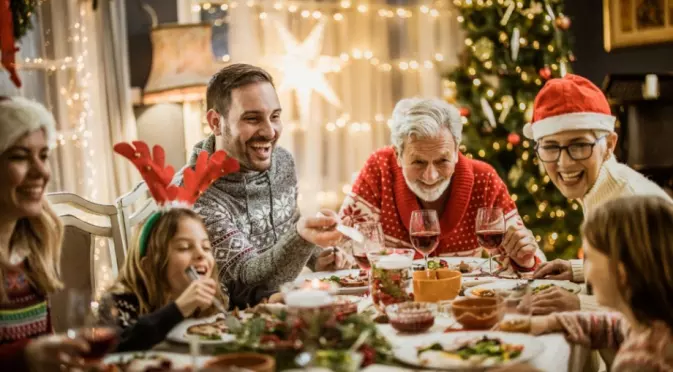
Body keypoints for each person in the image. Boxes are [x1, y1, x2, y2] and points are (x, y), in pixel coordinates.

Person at [175, 64, 350, 309]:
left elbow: (288, 222)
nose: (270, 132)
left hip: (283, 302)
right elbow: (248, 276)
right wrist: (302, 237)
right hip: (232, 324)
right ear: (216, 122)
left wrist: (317, 258)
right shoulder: (197, 195)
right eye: (252, 118)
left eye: (275, 116)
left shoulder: (282, 162)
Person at [338, 97, 545, 272]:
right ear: (398, 155)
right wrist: (334, 255)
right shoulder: (380, 168)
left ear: (456, 151)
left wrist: (525, 260)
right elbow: (346, 248)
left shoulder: (484, 179)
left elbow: (527, 258)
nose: (430, 175)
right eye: (418, 162)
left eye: (442, 161)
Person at [525, 74, 672, 312]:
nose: (565, 163)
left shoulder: (629, 202)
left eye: (580, 145)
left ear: (610, 145)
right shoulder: (600, 187)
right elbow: (634, 268)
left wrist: (579, 304)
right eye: (550, 147)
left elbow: (660, 304)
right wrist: (578, 270)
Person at [105, 140, 236, 351]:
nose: (201, 255)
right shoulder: (121, 302)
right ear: (149, 264)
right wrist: (180, 308)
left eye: (206, 247)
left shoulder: (215, 297)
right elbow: (117, 345)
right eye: (184, 247)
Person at [529, 195, 673, 371]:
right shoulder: (649, 323)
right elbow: (609, 326)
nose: (583, 269)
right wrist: (548, 323)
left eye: (587, 258)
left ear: (621, 275)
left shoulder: (641, 362)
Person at [0, 96, 90, 370]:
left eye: (43, 155)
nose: (41, 171)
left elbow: (42, 346)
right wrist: (26, 356)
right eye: (19, 157)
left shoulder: (32, 248)